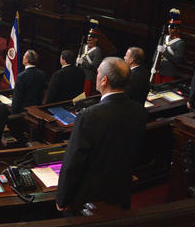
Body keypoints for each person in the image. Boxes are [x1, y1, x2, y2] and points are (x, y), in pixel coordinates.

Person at [56, 58, 147, 213]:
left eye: (98, 73)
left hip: (89, 199)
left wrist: (62, 198)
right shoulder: (140, 111)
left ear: (104, 80)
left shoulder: (89, 115)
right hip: (121, 193)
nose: (96, 76)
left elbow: (74, 161)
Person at [11, 50, 47, 114]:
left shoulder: (21, 76)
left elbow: (17, 99)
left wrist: (13, 114)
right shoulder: (42, 74)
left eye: (24, 56)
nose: (22, 57)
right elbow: (41, 94)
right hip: (36, 109)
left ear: (26, 60)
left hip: (22, 111)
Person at [153, 14, 185, 83]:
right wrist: (154, 63)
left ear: (178, 30)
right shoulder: (164, 37)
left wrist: (164, 51)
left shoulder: (180, 43)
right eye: (169, 27)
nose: (170, 30)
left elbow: (177, 60)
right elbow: (157, 51)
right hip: (158, 68)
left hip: (168, 71)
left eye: (172, 28)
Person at [76, 29, 103, 94]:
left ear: (95, 40)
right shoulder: (83, 46)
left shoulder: (97, 51)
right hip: (79, 73)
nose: (89, 39)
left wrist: (83, 63)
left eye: (91, 38)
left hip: (88, 77)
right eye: (88, 38)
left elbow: (95, 66)